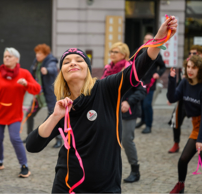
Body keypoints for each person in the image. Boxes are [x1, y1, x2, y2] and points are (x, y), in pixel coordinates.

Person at [26, 16, 177, 193]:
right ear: (62, 74)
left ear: (87, 69)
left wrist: (159, 37)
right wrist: (55, 116)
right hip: (67, 187)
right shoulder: (63, 106)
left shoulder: (106, 88)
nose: (73, 63)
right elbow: (32, 145)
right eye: (67, 62)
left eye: (79, 60)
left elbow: (139, 66)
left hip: (106, 188)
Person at [167, 56, 202, 194]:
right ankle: (180, 185)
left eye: (194, 67)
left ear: (201, 70)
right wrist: (171, 80)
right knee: (183, 159)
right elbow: (172, 98)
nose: (190, 70)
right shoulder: (185, 82)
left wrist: (200, 139)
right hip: (197, 125)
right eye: (189, 67)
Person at [0, 48, 41, 177]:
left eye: (9, 56)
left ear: (17, 59)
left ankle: (24, 165)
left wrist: (26, 84)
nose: (7, 58)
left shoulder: (24, 73)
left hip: (14, 115)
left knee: (15, 139)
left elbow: (37, 89)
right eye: (5, 56)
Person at [101, 42, 146, 183]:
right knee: (109, 141)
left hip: (127, 112)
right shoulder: (108, 69)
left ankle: (135, 170)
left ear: (124, 55)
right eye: (111, 51)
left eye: (115, 51)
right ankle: (109, 171)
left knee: (126, 140)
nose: (112, 54)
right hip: (110, 112)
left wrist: (128, 101)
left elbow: (141, 90)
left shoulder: (130, 69)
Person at [167, 45, 202, 153]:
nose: (191, 55)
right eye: (190, 53)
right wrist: (172, 83)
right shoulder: (186, 67)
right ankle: (176, 143)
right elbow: (176, 90)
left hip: (197, 101)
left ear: (201, 55)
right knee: (175, 121)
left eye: (195, 53)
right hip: (184, 99)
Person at [23, 44, 62, 148]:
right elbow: (31, 75)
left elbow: (53, 69)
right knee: (29, 114)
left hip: (49, 95)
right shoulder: (36, 63)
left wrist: (47, 70)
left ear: (45, 54)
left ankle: (59, 139)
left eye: (40, 53)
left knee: (53, 116)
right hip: (38, 95)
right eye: (36, 53)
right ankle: (29, 136)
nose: (37, 55)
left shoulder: (51, 61)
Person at [135, 33, 166, 134]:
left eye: (149, 39)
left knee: (147, 105)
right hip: (139, 83)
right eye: (145, 39)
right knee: (141, 103)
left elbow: (163, 67)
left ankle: (149, 125)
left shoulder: (156, 54)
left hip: (150, 83)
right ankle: (143, 121)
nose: (147, 41)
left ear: (153, 41)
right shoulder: (139, 51)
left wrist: (158, 73)